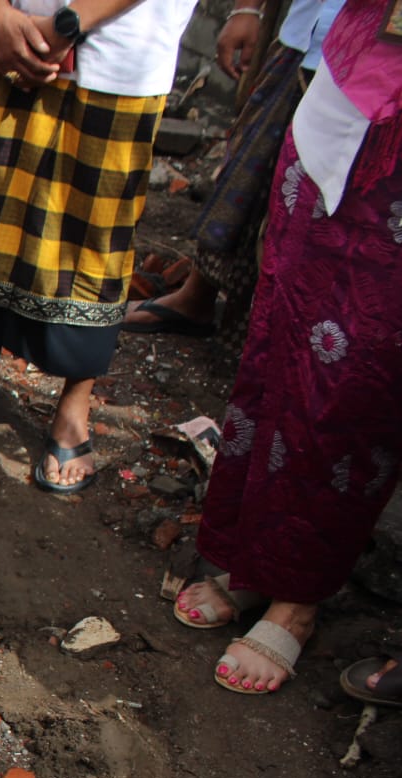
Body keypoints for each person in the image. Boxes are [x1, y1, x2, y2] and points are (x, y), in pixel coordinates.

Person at [170, 0, 401, 694]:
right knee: (282, 334)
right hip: (343, 83)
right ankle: (253, 560)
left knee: (361, 365)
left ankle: (296, 597)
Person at [0, 0, 198, 493]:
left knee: (91, 230)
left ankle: (75, 402)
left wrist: (67, 25)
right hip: (3, 35)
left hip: (117, 45)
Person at [121, 0, 345, 340]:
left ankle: (287, 338)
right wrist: (247, 9)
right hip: (309, 39)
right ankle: (197, 297)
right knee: (247, 172)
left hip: (373, 73)